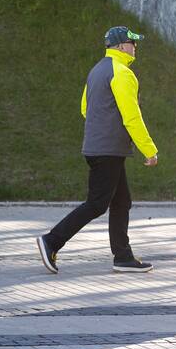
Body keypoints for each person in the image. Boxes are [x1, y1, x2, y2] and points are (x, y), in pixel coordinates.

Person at [36, 26, 159, 274]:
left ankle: (123, 257)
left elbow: (85, 108)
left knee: (122, 201)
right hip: (108, 150)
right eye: (132, 43)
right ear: (121, 46)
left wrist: (103, 127)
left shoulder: (97, 71)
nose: (135, 47)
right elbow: (132, 116)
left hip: (97, 147)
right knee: (97, 204)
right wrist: (149, 149)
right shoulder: (122, 73)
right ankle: (51, 240)